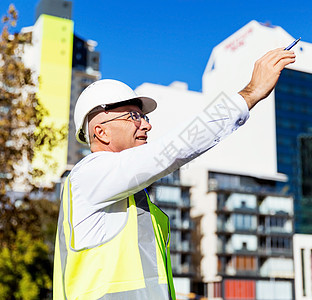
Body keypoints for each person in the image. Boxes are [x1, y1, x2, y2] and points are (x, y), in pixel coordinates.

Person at [53, 48, 296, 299]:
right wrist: (250, 93)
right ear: (101, 132)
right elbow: (174, 148)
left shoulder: (131, 199)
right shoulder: (89, 174)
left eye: (144, 116)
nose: (147, 124)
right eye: (134, 116)